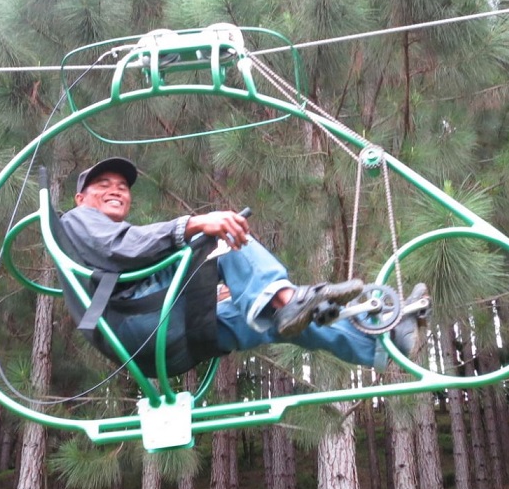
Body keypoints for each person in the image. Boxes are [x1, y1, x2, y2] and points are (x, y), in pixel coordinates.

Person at [55, 156, 426, 377]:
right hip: (138, 326)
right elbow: (122, 248)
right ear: (81, 197)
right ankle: (287, 297)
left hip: (159, 341)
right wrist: (194, 224)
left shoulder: (109, 243)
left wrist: (208, 293)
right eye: (103, 184)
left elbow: (132, 258)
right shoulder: (78, 220)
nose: (116, 189)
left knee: (265, 318)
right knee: (223, 239)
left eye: (122, 185)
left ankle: (379, 343)